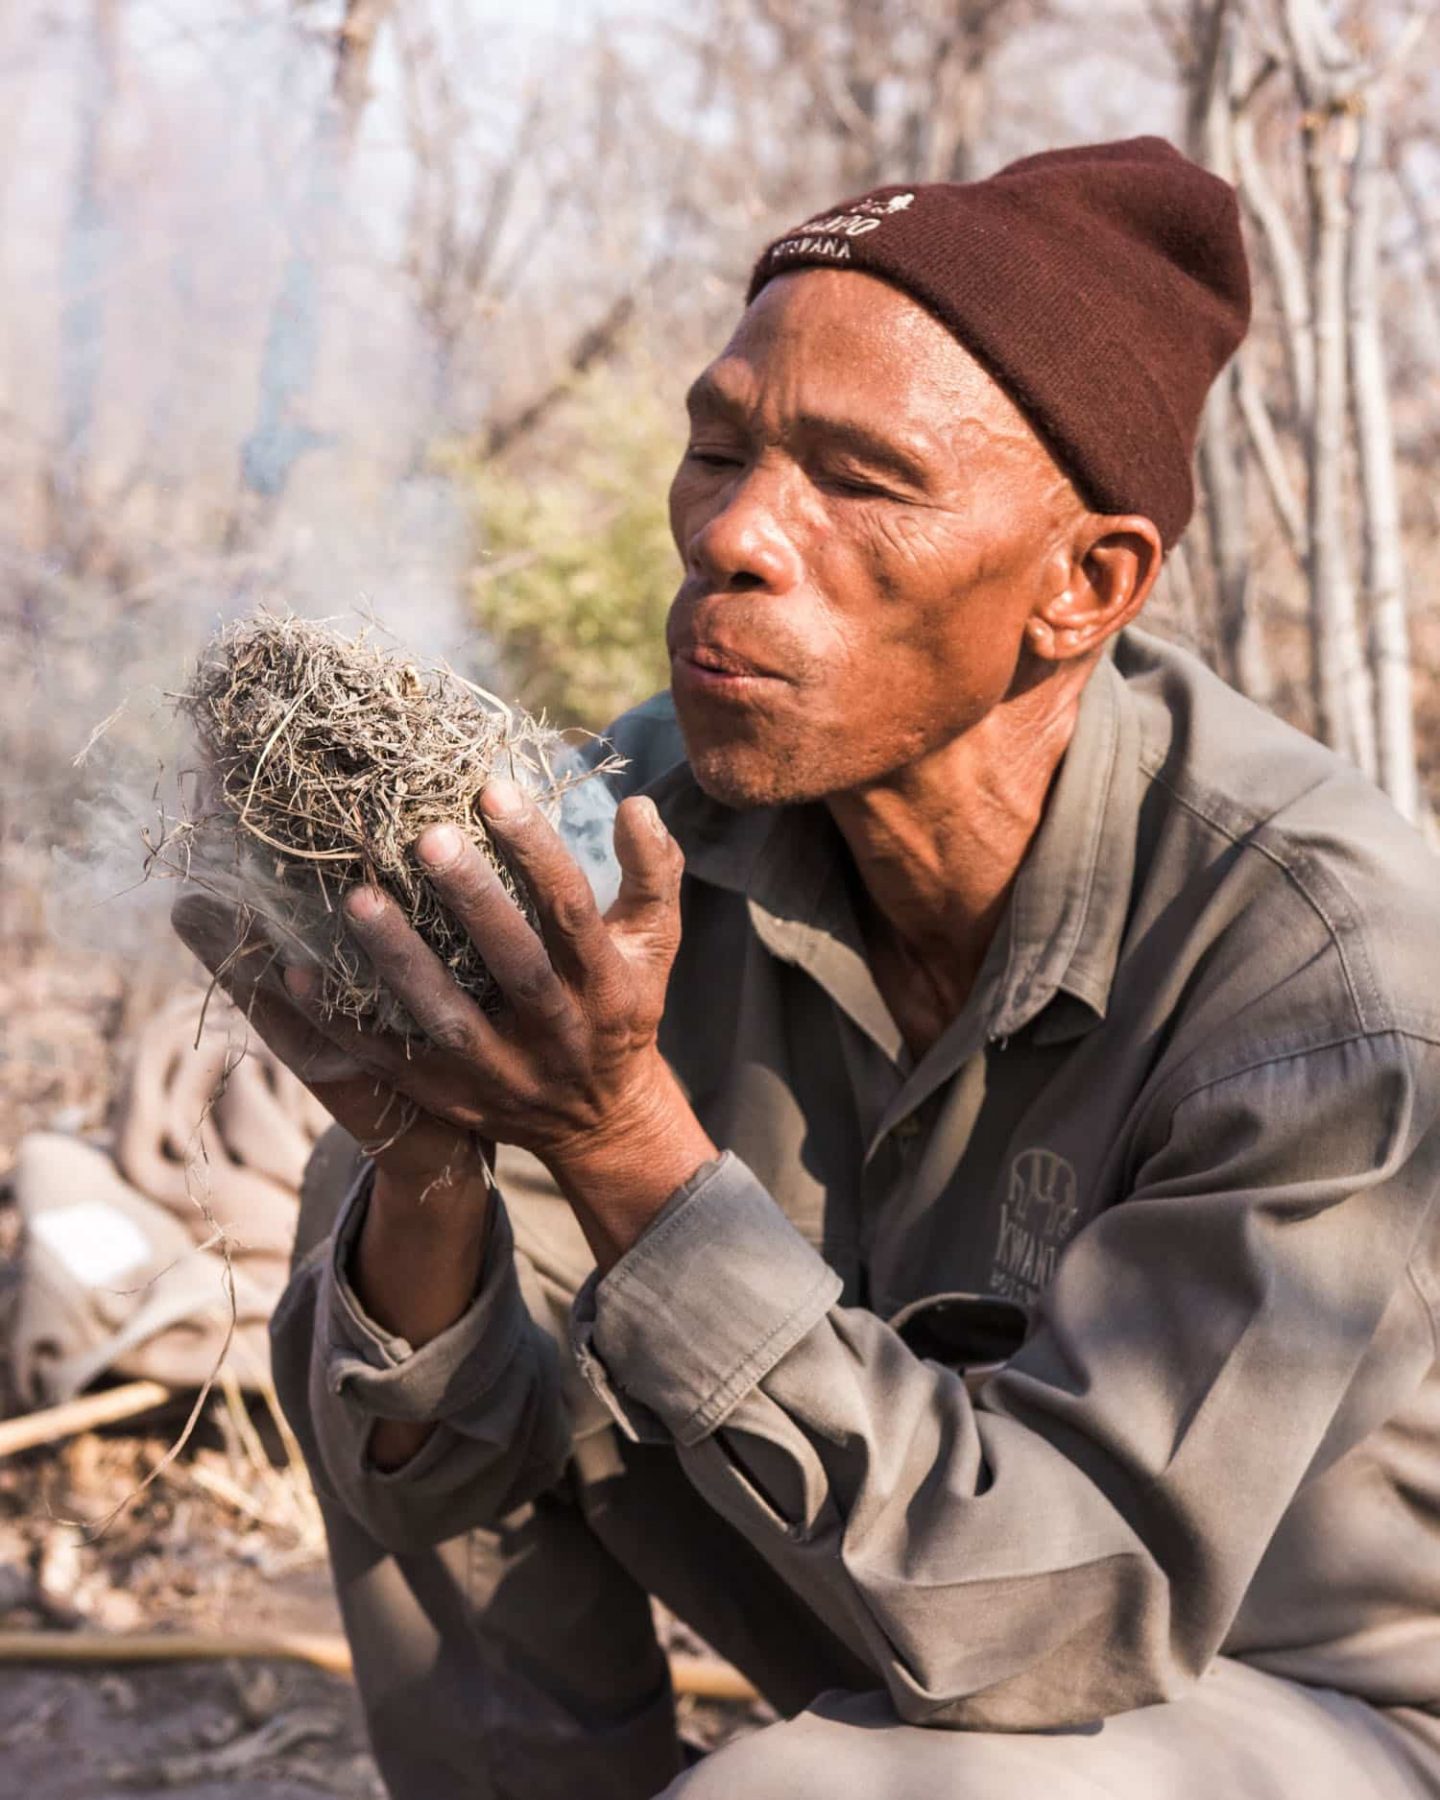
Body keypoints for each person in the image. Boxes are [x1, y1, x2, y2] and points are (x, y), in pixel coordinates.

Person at [175, 137, 1440, 1798]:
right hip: (893, 1647)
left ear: (1086, 585)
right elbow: (418, 1481)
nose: (737, 536)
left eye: (860, 479)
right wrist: (426, 1181)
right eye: (718, 449)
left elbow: (1065, 1610)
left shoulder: (1328, 982)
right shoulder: (636, 842)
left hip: (1289, 1712)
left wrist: (625, 1142)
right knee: (419, 1337)